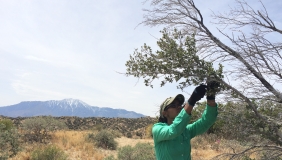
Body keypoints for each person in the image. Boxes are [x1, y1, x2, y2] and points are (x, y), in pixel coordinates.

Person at [152, 81, 219, 160]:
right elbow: (173, 130)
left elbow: (207, 120)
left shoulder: (186, 130)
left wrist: (211, 98)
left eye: (179, 105)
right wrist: (191, 101)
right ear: (165, 113)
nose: (178, 107)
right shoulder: (157, 129)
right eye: (173, 105)